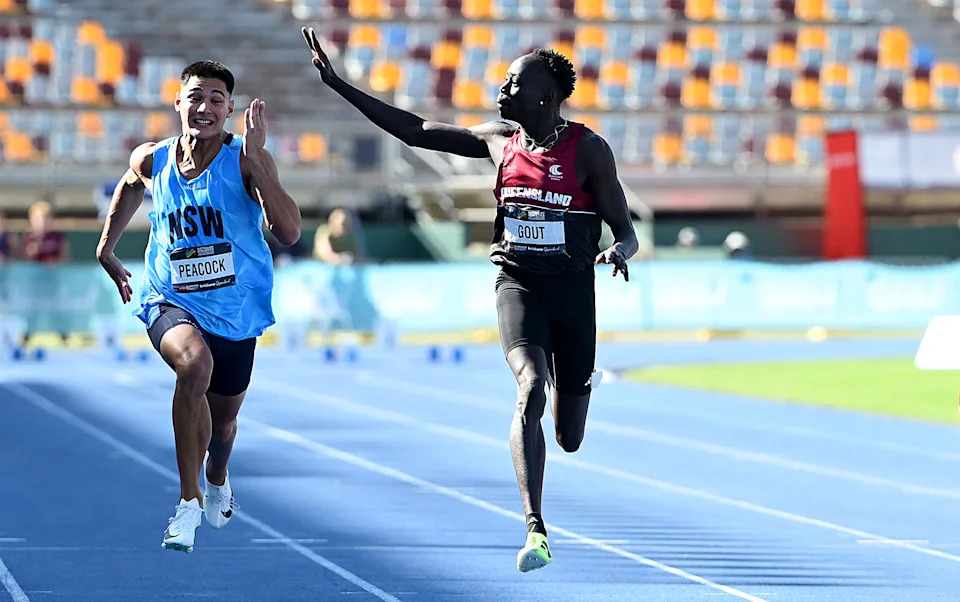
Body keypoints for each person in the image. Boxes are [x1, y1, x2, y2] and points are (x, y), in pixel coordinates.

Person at [302, 29, 639, 572]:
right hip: (518, 286)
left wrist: (619, 251)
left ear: (546, 97)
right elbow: (415, 131)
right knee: (530, 386)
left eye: (514, 82)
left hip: (573, 294)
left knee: (569, 436)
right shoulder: (498, 141)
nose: (501, 88)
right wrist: (340, 86)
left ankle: (578, 384)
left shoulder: (590, 151)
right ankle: (535, 529)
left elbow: (625, 229)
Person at [95, 60, 302, 553]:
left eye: (215, 99)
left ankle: (216, 473)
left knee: (224, 423)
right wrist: (106, 246)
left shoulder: (247, 162)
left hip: (235, 308)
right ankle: (187, 502)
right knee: (194, 366)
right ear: (178, 103)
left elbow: (290, 232)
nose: (204, 106)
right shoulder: (154, 158)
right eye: (195, 96)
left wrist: (258, 159)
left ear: (229, 110)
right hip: (170, 297)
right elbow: (130, 183)